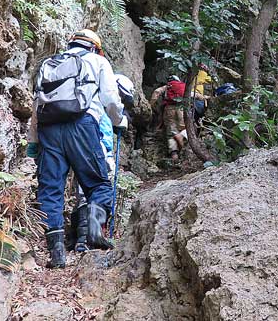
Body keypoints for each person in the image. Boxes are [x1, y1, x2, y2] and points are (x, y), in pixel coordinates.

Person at [27, 29, 128, 269]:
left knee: (50, 189)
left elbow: (37, 103)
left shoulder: (48, 64)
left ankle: (56, 252)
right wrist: (119, 120)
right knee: (98, 183)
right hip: (82, 125)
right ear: (94, 46)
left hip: (49, 129)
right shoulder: (97, 61)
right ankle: (94, 228)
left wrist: (33, 141)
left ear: (71, 43)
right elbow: (111, 99)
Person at [71, 73, 136, 252]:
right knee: (99, 189)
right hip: (97, 147)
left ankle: (78, 238)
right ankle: (87, 239)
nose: (121, 100)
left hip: (80, 144)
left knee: (83, 190)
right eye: (122, 96)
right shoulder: (105, 101)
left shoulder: (90, 96)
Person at [149, 75, 186, 163]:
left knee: (171, 133)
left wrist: (151, 105)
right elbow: (193, 94)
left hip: (169, 109)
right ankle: (182, 136)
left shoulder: (167, 86)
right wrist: (204, 97)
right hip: (181, 108)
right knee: (185, 127)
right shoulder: (183, 85)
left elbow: (156, 92)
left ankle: (174, 155)